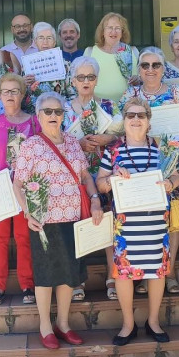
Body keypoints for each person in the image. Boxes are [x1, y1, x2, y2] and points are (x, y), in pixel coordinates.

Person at [13, 92, 103, 349]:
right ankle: (45, 326)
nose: (54, 116)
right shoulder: (31, 145)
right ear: (39, 116)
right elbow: (17, 183)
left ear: (64, 115)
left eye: (58, 112)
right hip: (44, 219)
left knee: (68, 273)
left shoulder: (74, 142)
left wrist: (95, 198)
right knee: (45, 274)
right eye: (48, 112)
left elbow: (85, 176)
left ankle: (63, 324)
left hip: (74, 218)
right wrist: (27, 212)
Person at [95, 98, 179, 345]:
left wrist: (170, 183)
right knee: (124, 273)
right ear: (124, 120)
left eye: (141, 115)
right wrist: (111, 179)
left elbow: (176, 173)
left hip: (155, 222)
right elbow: (99, 182)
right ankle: (128, 325)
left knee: (157, 272)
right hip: (126, 224)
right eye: (130, 115)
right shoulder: (113, 151)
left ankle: (153, 321)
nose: (135, 120)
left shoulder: (161, 147)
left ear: (149, 120)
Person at [120, 46, 179, 294]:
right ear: (139, 69)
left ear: (164, 69)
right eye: (145, 65)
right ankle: (145, 273)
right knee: (145, 219)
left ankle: (168, 272)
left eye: (156, 65)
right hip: (139, 163)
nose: (151, 70)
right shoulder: (130, 93)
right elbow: (119, 124)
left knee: (170, 221)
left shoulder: (176, 92)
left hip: (168, 163)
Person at [0, 73, 39, 305]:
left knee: (24, 237)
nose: (10, 96)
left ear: (22, 95)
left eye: (15, 91)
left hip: (25, 190)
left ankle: (27, 285)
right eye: (5, 91)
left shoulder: (34, 122)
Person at [63, 55, 121, 300]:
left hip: (104, 171)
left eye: (91, 77)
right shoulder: (63, 107)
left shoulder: (108, 105)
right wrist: (78, 143)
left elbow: (125, 134)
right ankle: (77, 278)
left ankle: (112, 276)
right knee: (77, 222)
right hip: (74, 173)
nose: (86, 81)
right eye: (81, 77)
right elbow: (55, 141)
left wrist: (107, 139)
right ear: (73, 81)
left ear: (96, 80)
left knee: (108, 220)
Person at [84, 12, 139, 102]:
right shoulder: (90, 52)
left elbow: (141, 79)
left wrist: (137, 79)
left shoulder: (132, 51)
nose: (113, 32)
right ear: (102, 32)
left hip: (127, 105)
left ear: (122, 32)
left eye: (117, 28)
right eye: (110, 28)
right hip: (98, 104)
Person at [24, 22, 71, 101]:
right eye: (41, 38)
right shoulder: (27, 65)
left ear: (54, 42)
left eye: (49, 38)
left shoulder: (65, 64)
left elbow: (72, 93)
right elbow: (23, 97)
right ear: (35, 42)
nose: (45, 42)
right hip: (34, 110)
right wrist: (24, 84)